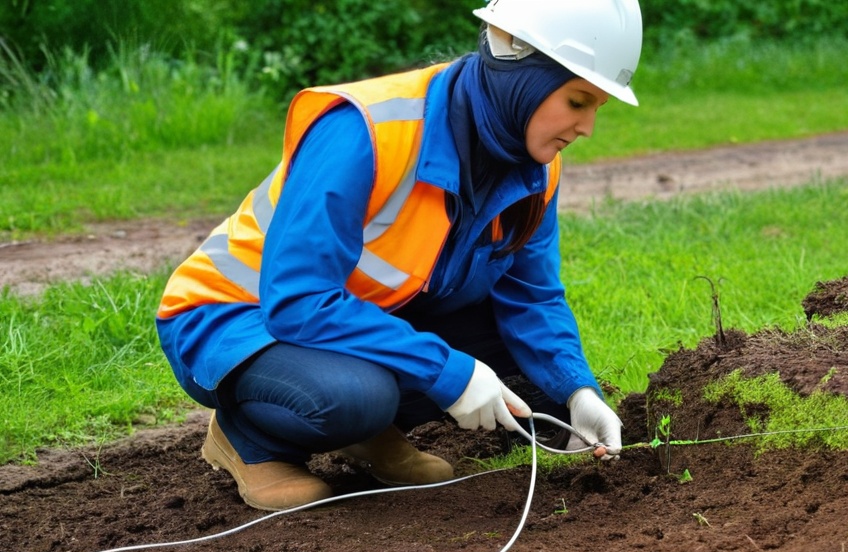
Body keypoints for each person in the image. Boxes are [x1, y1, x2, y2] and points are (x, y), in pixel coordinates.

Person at [155, 0, 643, 511]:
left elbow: (532, 297)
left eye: (597, 107)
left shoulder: (536, 168)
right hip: (236, 318)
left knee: (533, 384)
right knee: (356, 397)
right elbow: (298, 299)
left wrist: (577, 392)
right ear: (517, 67)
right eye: (577, 101)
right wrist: (449, 372)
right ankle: (252, 441)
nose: (586, 126)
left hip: (355, 314)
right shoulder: (365, 131)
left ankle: (370, 433)